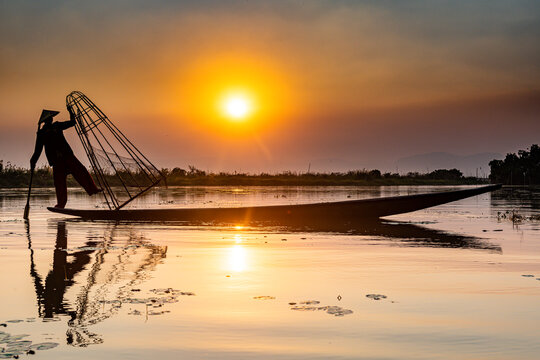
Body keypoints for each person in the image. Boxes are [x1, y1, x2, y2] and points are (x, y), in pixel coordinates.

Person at [30, 106, 101, 208]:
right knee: (59, 183)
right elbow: (37, 151)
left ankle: (92, 189)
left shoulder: (57, 126)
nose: (51, 119)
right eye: (49, 118)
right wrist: (33, 161)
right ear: (45, 120)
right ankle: (61, 204)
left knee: (81, 171)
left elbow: (72, 122)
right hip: (57, 161)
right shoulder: (41, 134)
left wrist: (71, 113)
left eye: (51, 117)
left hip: (67, 156)